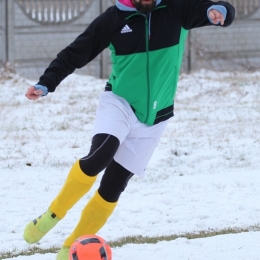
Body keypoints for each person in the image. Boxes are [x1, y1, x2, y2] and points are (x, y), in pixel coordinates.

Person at [24, 0, 235, 259]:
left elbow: (214, 8)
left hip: (157, 116)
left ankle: (71, 248)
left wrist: (221, 11)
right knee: (99, 157)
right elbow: (75, 53)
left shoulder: (176, 9)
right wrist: (47, 82)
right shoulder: (113, 19)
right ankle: (51, 216)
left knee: (114, 185)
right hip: (120, 103)